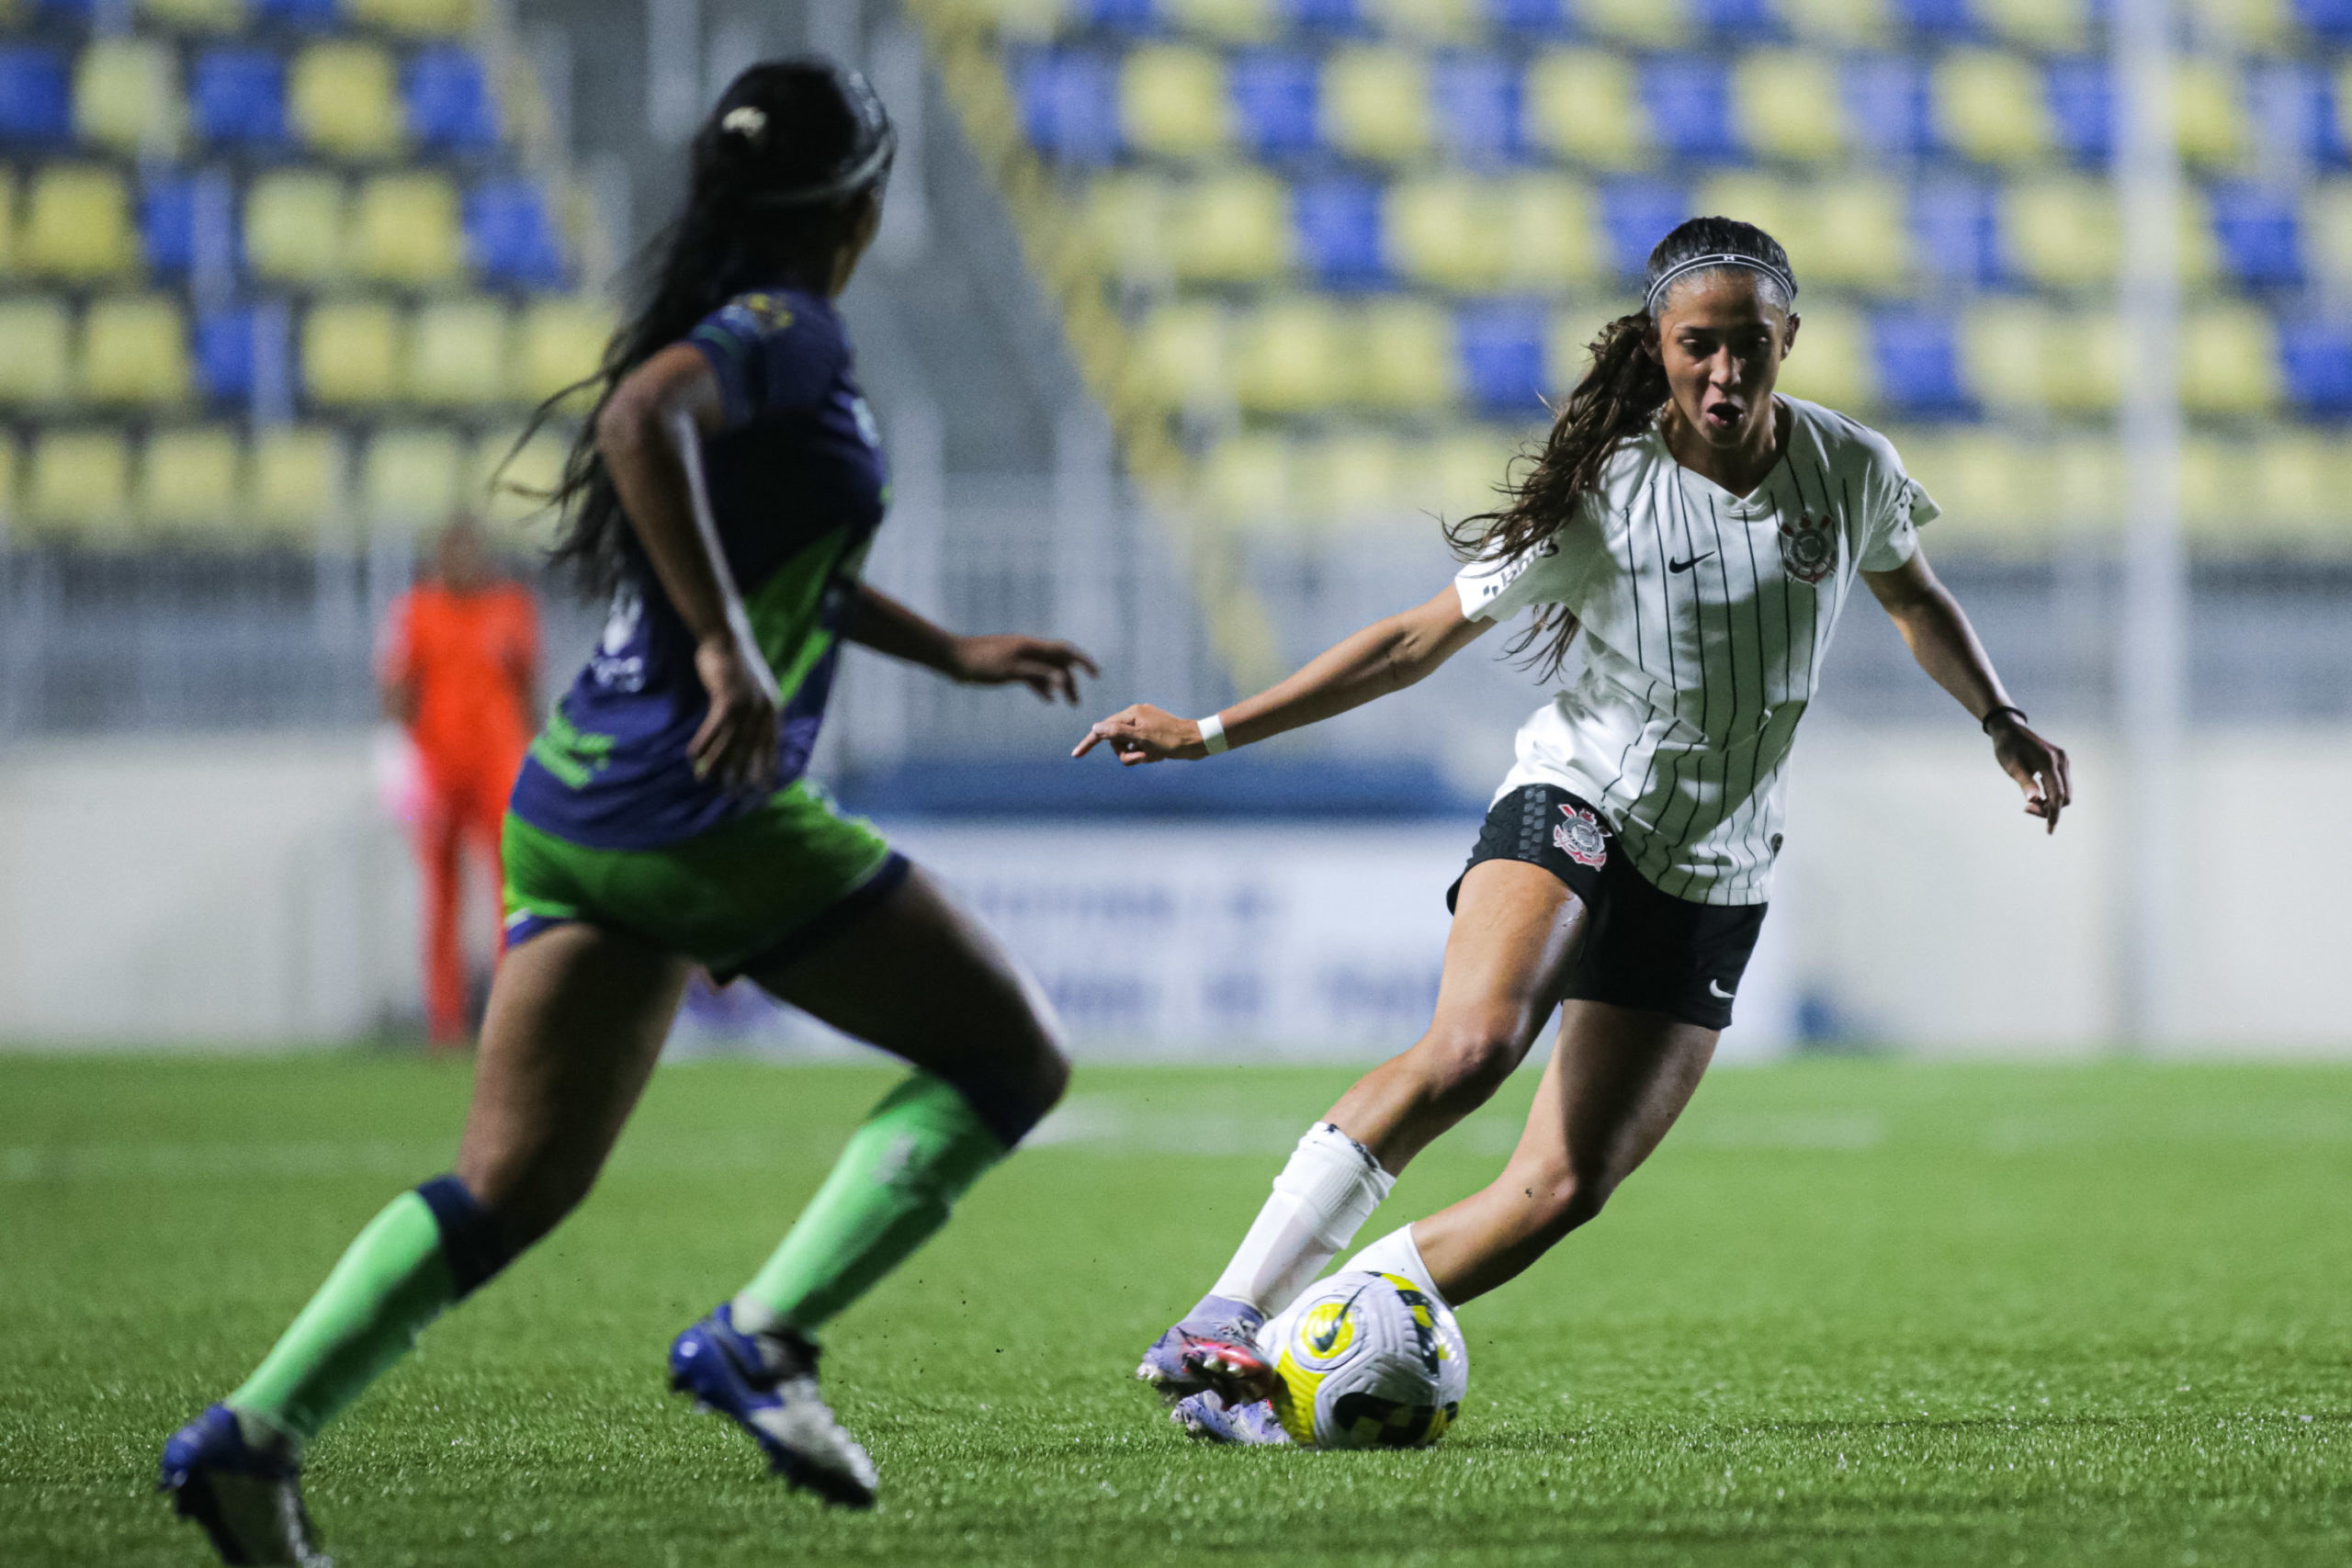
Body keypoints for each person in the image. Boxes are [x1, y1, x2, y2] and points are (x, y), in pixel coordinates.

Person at [160, 58, 1096, 1562]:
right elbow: (638, 425)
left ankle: (251, 1437)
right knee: (1013, 1055)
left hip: (577, 798)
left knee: (506, 1185)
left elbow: (770, 537)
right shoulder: (792, 327)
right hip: (700, 806)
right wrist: (729, 646)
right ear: (858, 203)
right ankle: (764, 1337)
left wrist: (949, 649)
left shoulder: (749, 329)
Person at [1076, 217, 2074, 1445]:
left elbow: (1914, 594)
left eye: (1749, 347)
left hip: (1721, 862)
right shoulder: (1603, 490)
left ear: (1790, 340)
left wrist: (2001, 717)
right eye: (1697, 346)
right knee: (1476, 1043)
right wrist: (1211, 730)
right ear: (1657, 345)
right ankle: (1222, 1307)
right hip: (1579, 798)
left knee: (1561, 1187)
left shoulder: (1850, 468)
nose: (1724, 374)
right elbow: (1409, 641)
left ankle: (1267, 1370)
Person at [379, 513, 540, 1046]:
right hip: (439, 767)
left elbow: (528, 690)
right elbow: (397, 691)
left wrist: (536, 763)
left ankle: (507, 1018)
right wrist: (397, 764)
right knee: (441, 897)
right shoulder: (416, 611)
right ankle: (444, 1024)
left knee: (509, 894)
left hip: (499, 767)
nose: (466, 562)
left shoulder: (511, 608)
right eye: (456, 551)